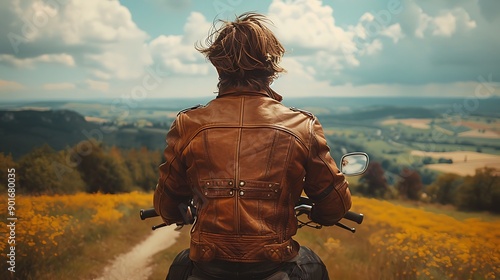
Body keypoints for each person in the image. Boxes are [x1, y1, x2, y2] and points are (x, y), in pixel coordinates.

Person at [154, 12, 351, 280]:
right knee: (313, 265)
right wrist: (320, 212)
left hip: (207, 262)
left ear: (217, 64)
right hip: (273, 262)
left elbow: (166, 206)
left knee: (180, 266)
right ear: (270, 66)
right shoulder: (301, 125)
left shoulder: (188, 124)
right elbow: (333, 208)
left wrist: (181, 208)